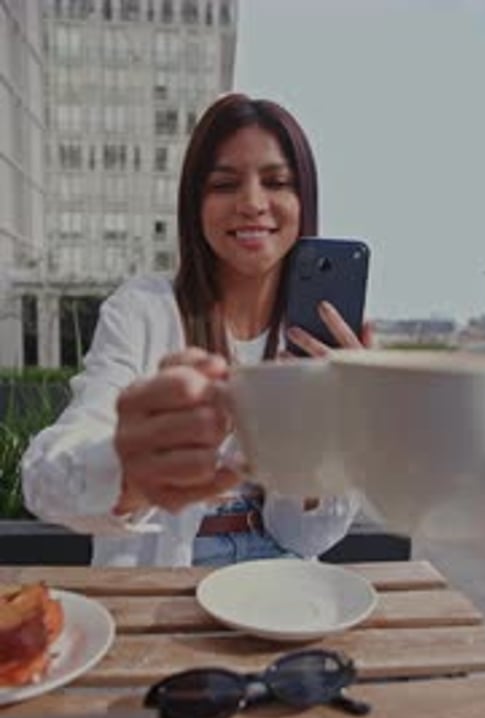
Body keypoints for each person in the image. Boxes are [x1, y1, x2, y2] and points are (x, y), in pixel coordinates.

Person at [22, 93, 368, 568]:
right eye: (225, 184)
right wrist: (127, 470)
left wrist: (325, 432)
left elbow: (308, 537)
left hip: (280, 590)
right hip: (159, 589)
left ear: (303, 198)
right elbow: (43, 480)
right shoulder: (142, 309)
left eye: (277, 182)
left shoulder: (314, 341)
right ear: (194, 203)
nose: (252, 203)